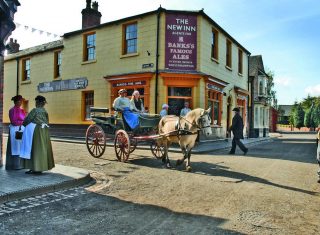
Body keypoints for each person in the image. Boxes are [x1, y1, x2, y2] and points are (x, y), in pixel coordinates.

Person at [21, 95, 54, 174]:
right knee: (43, 149)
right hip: (44, 131)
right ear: (43, 104)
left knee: (34, 149)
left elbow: (27, 120)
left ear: (37, 102)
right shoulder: (45, 111)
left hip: (36, 131)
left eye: (36, 102)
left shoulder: (34, 111)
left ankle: (35, 167)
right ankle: (42, 166)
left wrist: (23, 125)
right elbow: (47, 121)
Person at [5, 95, 26, 170]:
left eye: (21, 101)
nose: (20, 103)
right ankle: (14, 165)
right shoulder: (12, 110)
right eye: (18, 101)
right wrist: (22, 122)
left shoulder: (22, 110)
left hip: (21, 130)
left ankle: (21, 165)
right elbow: (14, 122)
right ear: (15, 102)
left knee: (21, 147)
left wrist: (23, 122)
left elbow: (25, 119)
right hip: (14, 130)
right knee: (15, 147)